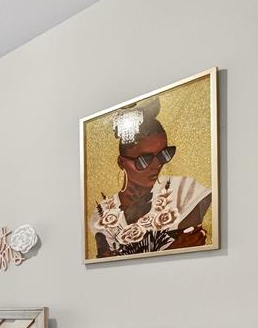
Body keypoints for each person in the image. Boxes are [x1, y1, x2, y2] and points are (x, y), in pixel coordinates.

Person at [91, 97, 212, 258]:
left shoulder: (184, 190)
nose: (157, 165)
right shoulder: (103, 212)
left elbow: (193, 245)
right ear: (122, 162)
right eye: (144, 160)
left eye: (164, 154)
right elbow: (106, 262)